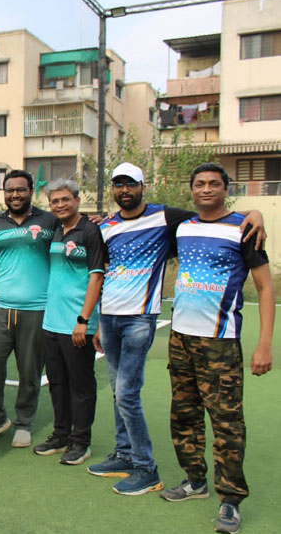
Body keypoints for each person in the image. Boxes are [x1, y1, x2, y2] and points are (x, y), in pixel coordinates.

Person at [90, 162, 264, 496]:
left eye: (131, 184)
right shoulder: (107, 225)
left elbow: (211, 213)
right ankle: (125, 454)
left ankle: (145, 467)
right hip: (109, 317)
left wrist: (254, 212)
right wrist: (98, 320)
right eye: (118, 184)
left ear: (143, 186)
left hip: (141, 318)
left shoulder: (167, 217)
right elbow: (106, 272)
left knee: (127, 393)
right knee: (119, 392)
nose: (124, 190)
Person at [159, 163, 274, 534]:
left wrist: (264, 345)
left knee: (227, 423)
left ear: (227, 189)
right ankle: (195, 481)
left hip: (220, 342)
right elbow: (139, 212)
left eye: (213, 184)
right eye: (199, 184)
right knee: (184, 415)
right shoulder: (183, 226)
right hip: (180, 339)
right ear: (191, 190)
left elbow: (266, 288)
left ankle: (231, 500)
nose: (206, 189)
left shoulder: (244, 228)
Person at [0, 170, 58, 448]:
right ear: (4, 194)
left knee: (29, 371)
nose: (15, 195)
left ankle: (24, 423)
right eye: (10, 190)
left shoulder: (50, 221)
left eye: (21, 189)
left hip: (37, 309)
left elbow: (75, 235)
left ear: (31, 191)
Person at [33, 179, 106, 465]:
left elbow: (97, 277)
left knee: (81, 385)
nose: (60, 205)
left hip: (78, 324)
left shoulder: (90, 230)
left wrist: (83, 320)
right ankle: (61, 434)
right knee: (57, 383)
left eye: (65, 199)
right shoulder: (55, 229)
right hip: (52, 322)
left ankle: (81, 441)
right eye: (55, 201)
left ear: (77, 200)